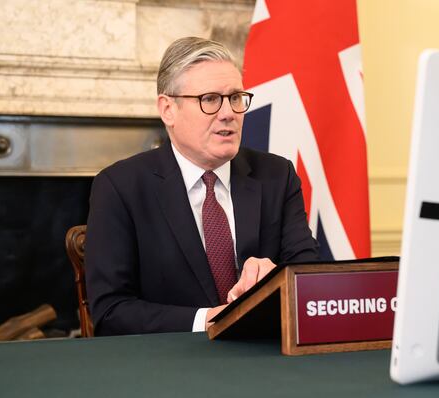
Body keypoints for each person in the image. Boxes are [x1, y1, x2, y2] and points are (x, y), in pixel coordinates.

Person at [85, 37, 318, 336]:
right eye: (210, 99)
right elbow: (110, 312)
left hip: (263, 362)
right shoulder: (120, 187)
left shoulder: (277, 176)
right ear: (168, 109)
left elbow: (311, 283)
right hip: (168, 367)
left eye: (235, 98)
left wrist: (279, 280)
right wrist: (209, 320)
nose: (229, 113)